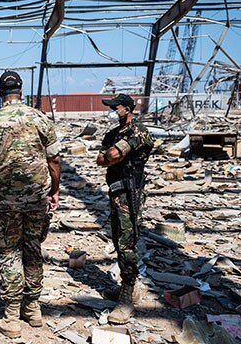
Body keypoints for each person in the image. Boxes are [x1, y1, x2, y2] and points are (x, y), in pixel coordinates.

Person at [0, 71, 61, 338]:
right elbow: (55, 159)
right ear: (21, 91)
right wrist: (54, 190)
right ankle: (33, 309)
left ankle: (11, 315)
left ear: (0, 93)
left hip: (5, 200)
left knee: (9, 251)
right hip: (36, 198)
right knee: (33, 248)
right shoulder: (40, 117)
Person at [96, 93, 154, 324]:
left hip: (131, 193)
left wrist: (113, 157)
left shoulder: (139, 131)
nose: (112, 111)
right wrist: (112, 158)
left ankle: (128, 295)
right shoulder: (113, 133)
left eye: (116, 107)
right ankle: (126, 286)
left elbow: (112, 154)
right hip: (116, 191)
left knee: (127, 242)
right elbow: (101, 158)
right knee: (118, 238)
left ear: (128, 109)